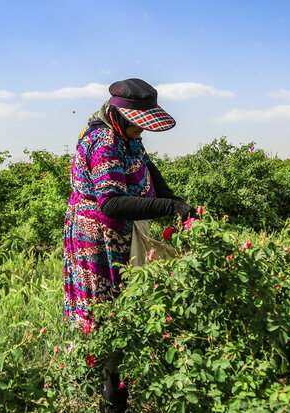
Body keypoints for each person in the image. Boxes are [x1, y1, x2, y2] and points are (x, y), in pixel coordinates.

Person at [63, 78, 196, 412]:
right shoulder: (104, 139)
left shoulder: (127, 136)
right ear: (120, 115)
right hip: (98, 238)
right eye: (138, 123)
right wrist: (167, 208)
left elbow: (148, 169)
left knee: (126, 309)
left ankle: (121, 386)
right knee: (108, 317)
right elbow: (110, 203)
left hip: (121, 232)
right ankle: (113, 400)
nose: (142, 131)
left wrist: (174, 201)